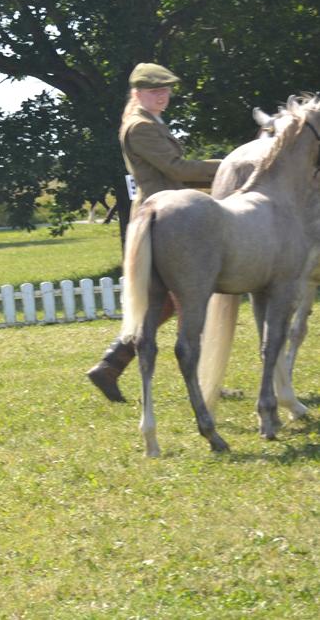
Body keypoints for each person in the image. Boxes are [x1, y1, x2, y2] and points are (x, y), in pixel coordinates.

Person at [86, 62, 222, 402]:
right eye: (154, 90)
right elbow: (175, 169)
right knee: (183, 299)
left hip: (166, 216)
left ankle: (110, 365)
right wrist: (229, 165)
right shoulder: (141, 127)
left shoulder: (150, 122)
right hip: (161, 220)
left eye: (166, 90)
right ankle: (116, 364)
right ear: (137, 93)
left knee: (169, 303)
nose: (162, 95)